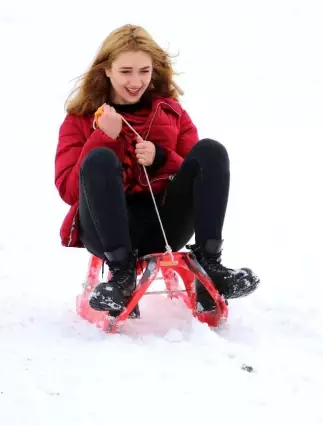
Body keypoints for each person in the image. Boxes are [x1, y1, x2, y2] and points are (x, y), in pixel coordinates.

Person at [54, 24, 259, 314]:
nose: (135, 81)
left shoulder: (172, 112)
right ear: (107, 71)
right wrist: (103, 137)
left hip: (166, 225)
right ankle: (122, 277)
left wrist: (162, 157)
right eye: (125, 71)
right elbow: (69, 190)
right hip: (105, 229)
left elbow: (200, 173)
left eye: (144, 71)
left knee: (211, 151)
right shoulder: (79, 121)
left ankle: (210, 265)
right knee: (99, 158)